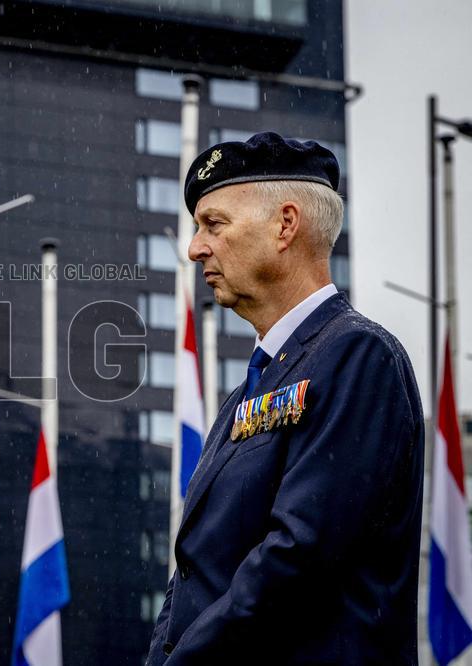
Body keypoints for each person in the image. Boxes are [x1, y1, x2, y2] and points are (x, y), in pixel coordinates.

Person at [145, 132, 424, 665]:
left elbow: (297, 557)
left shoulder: (357, 356)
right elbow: (192, 575)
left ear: (285, 224)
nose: (195, 247)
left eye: (214, 224)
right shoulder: (247, 393)